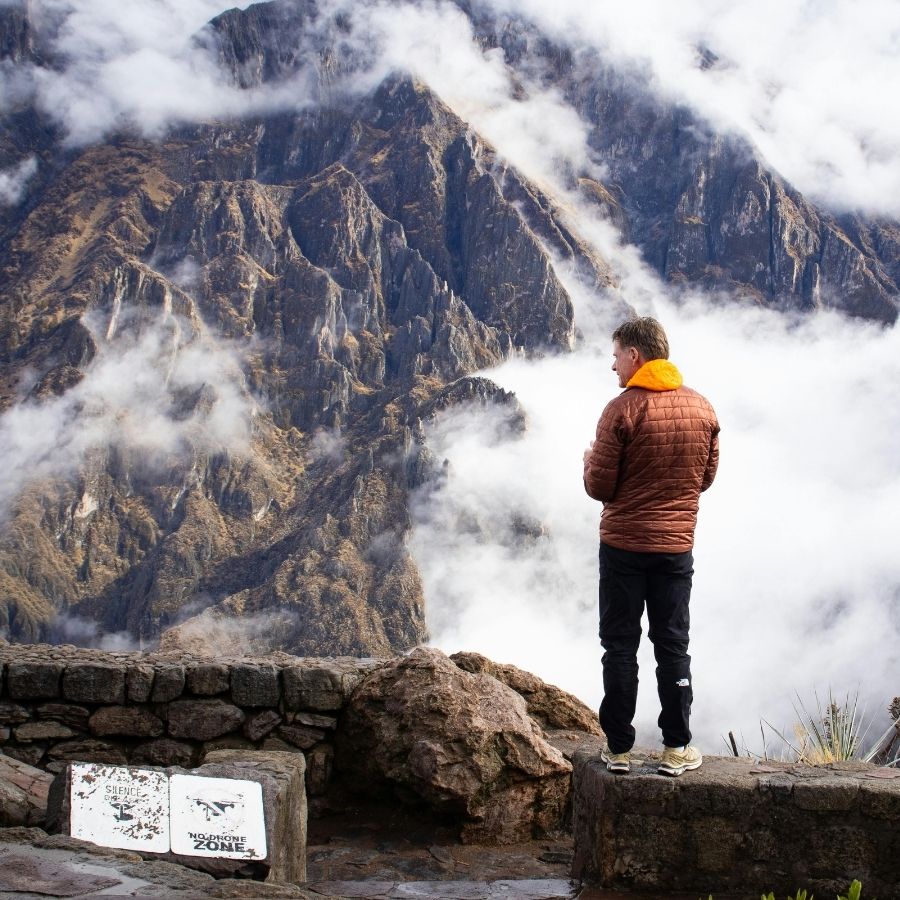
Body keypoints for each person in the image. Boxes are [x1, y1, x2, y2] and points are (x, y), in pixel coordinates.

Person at [582, 316, 719, 776]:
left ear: (635, 355)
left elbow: (600, 487)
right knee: (672, 644)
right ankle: (677, 747)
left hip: (623, 548)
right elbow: (704, 478)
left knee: (620, 645)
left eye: (616, 355)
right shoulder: (702, 409)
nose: (613, 365)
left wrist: (589, 462)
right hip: (674, 548)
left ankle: (619, 750)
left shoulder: (620, 410)